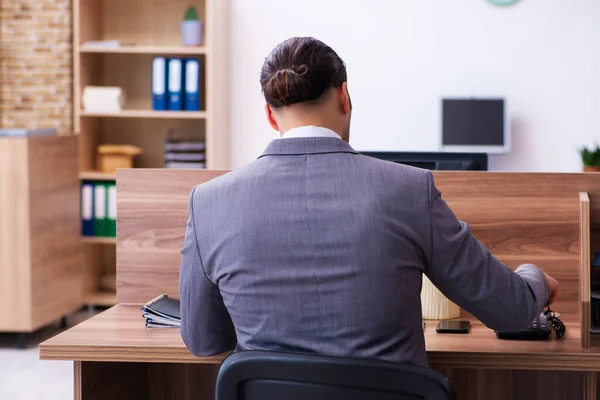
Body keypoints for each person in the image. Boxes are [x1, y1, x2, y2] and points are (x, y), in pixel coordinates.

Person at [179, 37, 559, 367]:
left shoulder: (208, 202)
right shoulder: (409, 189)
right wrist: (535, 280)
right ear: (344, 96)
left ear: (269, 114)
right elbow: (509, 311)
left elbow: (203, 341)